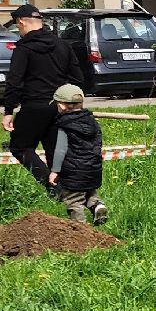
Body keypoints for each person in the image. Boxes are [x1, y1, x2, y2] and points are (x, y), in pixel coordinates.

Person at [1, 4, 93, 184]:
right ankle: (66, 190)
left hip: (34, 106)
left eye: (18, 26)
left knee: (20, 147)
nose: (19, 31)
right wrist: (70, 103)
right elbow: (78, 78)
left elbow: (14, 81)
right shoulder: (63, 45)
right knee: (53, 149)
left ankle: (50, 185)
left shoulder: (24, 48)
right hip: (60, 106)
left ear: (21, 22)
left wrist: (8, 111)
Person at [45, 84, 107, 224]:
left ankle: (80, 230)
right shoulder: (92, 122)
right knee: (88, 191)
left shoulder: (64, 125)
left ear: (61, 106)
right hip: (93, 168)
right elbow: (98, 143)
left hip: (73, 171)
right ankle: (97, 205)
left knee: (74, 200)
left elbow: (61, 150)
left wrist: (54, 171)